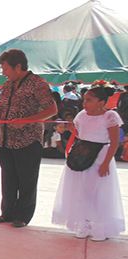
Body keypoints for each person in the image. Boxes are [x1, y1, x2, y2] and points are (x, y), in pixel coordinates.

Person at [0, 49, 57, 228]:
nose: (3, 72)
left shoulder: (38, 84)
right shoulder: (7, 85)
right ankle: (7, 213)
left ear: (18, 66)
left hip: (28, 140)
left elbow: (52, 110)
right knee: (8, 178)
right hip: (5, 139)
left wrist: (26, 121)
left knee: (27, 179)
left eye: (5, 68)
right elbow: (0, 110)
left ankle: (23, 216)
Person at [52, 82, 125, 241]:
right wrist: (71, 130)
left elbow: (114, 142)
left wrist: (106, 163)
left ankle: (100, 227)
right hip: (82, 153)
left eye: (89, 100)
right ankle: (83, 224)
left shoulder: (110, 116)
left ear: (101, 102)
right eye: (84, 100)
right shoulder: (81, 115)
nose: (84, 103)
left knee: (99, 192)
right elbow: (80, 134)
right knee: (82, 190)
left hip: (100, 155)